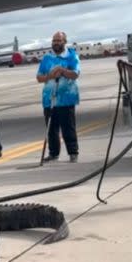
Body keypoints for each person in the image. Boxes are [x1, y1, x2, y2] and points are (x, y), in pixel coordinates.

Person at [36, 31, 81, 163]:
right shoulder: (47, 58)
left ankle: (73, 152)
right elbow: (39, 77)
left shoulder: (71, 56)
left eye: (58, 41)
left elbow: (75, 74)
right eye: (54, 41)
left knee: (68, 127)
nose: (56, 43)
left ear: (64, 42)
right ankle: (53, 153)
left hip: (66, 98)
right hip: (49, 99)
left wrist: (62, 71)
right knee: (51, 129)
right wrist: (50, 76)